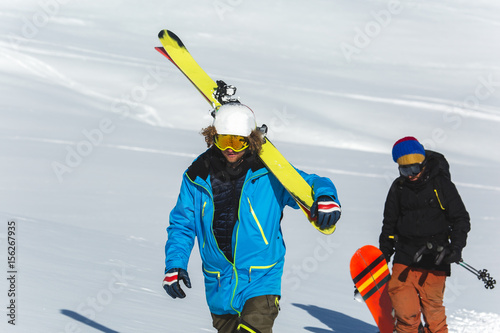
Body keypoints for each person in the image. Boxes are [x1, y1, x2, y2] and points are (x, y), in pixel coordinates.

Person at [162, 102, 341, 333]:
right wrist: (175, 264)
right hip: (219, 283)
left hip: (261, 278)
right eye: (224, 140)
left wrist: (325, 196)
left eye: (238, 141)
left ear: (251, 139)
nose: (230, 149)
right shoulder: (197, 176)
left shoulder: (271, 173)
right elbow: (182, 225)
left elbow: (312, 182)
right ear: (213, 137)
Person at [379, 137, 471, 333]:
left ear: (423, 163)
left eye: (414, 169)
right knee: (406, 315)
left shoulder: (441, 185)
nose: (410, 175)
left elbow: (461, 219)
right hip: (404, 258)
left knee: (433, 315)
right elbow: (389, 225)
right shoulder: (398, 188)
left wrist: (455, 248)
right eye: (405, 170)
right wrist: (384, 254)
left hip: (435, 259)